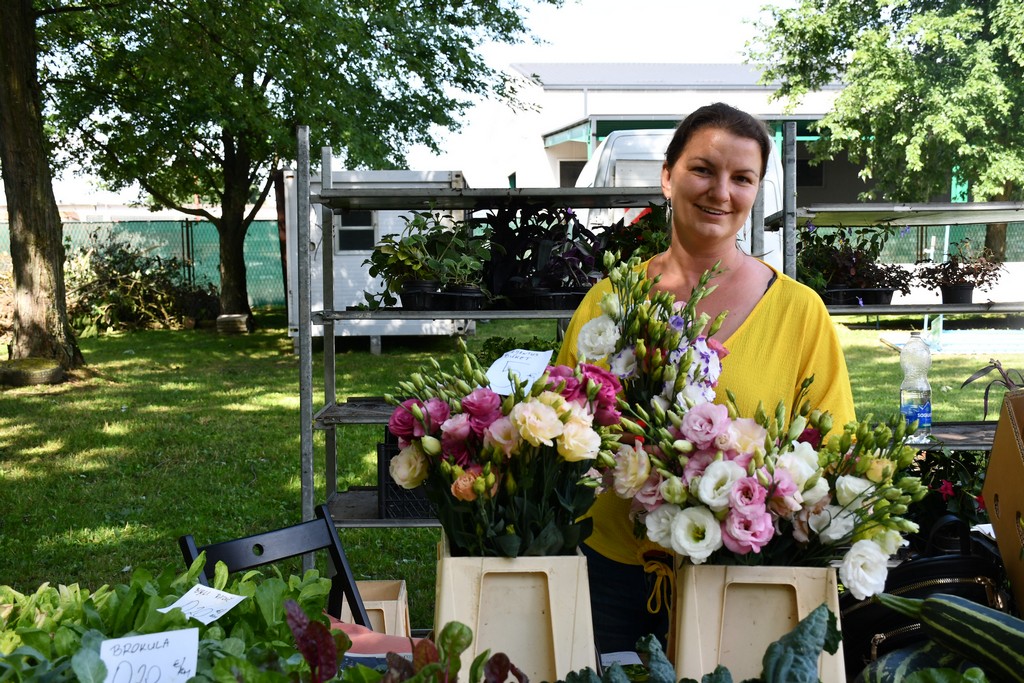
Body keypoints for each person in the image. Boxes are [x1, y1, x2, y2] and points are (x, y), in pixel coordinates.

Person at [556, 102, 857, 654]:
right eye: (703, 169)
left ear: (756, 190)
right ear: (667, 177)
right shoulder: (610, 302)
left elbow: (832, 450)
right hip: (613, 571)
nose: (721, 192)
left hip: (744, 575)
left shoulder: (799, 313)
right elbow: (563, 426)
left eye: (742, 178)